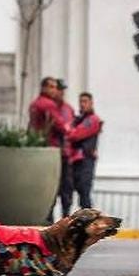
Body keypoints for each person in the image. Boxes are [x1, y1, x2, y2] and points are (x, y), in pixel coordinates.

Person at [65, 92, 103, 210]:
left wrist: (70, 131)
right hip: (75, 160)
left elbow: (75, 134)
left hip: (85, 160)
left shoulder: (92, 119)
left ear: (91, 103)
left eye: (85, 101)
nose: (82, 104)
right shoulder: (79, 119)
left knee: (84, 193)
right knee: (69, 192)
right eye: (81, 102)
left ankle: (88, 222)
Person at [49, 78, 76, 221]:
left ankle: (66, 218)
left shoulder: (68, 109)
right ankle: (49, 220)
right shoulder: (49, 107)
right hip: (52, 155)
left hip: (66, 155)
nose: (61, 93)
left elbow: (73, 130)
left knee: (66, 188)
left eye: (62, 90)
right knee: (51, 189)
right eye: (58, 89)